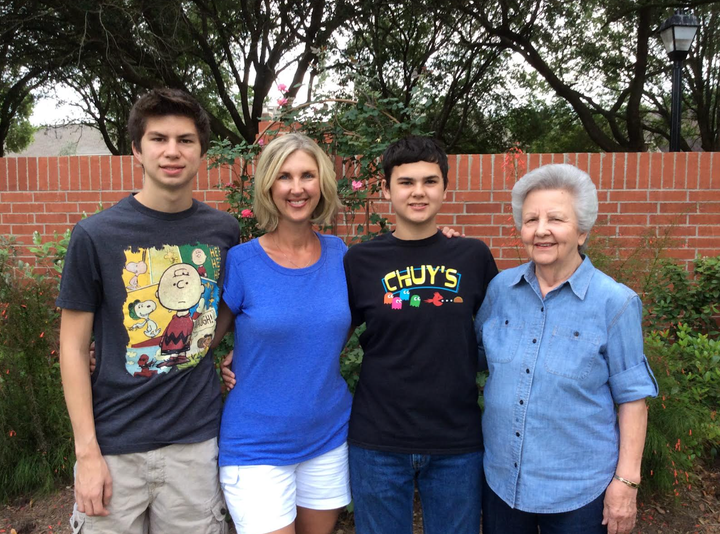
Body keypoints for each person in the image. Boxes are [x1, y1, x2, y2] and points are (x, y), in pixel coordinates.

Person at [57, 88, 239, 533]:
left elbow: (233, 305)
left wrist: (200, 347)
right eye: (158, 139)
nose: (172, 151)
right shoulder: (96, 235)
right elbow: (74, 348)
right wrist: (87, 454)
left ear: (201, 151)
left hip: (194, 446)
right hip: (114, 445)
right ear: (137, 149)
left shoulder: (224, 232)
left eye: (186, 140)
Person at [475, 164, 658, 534]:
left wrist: (625, 483)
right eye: (531, 220)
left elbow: (633, 399)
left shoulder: (615, 303)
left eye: (556, 219)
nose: (541, 230)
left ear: (582, 231)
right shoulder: (500, 290)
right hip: (501, 484)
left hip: (579, 493)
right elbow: (473, 355)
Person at [343, 136, 498, 534]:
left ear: (445, 188)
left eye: (430, 181)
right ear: (386, 190)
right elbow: (328, 332)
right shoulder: (359, 261)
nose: (418, 192)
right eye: (406, 182)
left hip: (456, 440)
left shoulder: (472, 256)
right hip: (377, 439)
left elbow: (503, 335)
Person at [213, 133, 353, 534]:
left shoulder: (341, 255)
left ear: (322, 183)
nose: (297, 188)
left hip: (327, 436)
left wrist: (439, 242)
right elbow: (200, 344)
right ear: (268, 186)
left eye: (307, 175)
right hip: (256, 445)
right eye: (284, 176)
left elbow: (350, 324)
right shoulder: (242, 262)